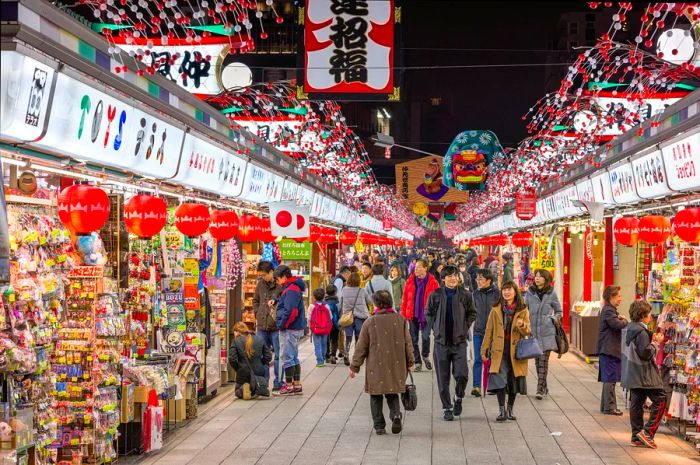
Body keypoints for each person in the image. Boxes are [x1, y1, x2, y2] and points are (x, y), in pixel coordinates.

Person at [349, 290, 414, 436]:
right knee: (392, 392)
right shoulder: (400, 319)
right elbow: (407, 343)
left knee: (376, 395)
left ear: (376, 304)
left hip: (376, 364)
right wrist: (410, 361)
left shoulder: (370, 322)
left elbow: (361, 347)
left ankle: (379, 426)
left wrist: (354, 367)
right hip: (396, 363)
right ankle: (396, 415)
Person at [426, 266, 477, 421]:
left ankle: (458, 397)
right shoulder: (435, 295)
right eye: (449, 276)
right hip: (441, 342)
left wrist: (464, 326)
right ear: (443, 278)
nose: (453, 278)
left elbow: (472, 313)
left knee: (462, 374)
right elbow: (428, 313)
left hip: (459, 342)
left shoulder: (466, 295)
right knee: (443, 377)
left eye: (455, 275)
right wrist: (435, 327)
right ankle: (447, 407)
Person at [481, 281, 531, 422]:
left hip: (516, 350)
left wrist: (522, 325)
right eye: (504, 290)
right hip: (499, 349)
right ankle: (502, 411)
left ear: (515, 291)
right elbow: (489, 330)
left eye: (509, 290)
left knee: (513, 380)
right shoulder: (496, 309)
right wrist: (484, 349)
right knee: (500, 379)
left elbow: (528, 331)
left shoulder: (522, 309)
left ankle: (510, 410)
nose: (506, 292)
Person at [621, 300, 666, 449]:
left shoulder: (629, 328)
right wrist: (655, 344)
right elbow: (645, 353)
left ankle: (636, 436)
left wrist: (650, 339)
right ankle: (648, 432)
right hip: (643, 374)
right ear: (643, 316)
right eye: (649, 314)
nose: (651, 317)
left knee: (637, 403)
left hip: (631, 372)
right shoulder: (640, 331)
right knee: (661, 398)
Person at [524, 269, 563, 399]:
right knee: (537, 362)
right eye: (536, 276)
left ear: (546, 279)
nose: (537, 278)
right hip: (533, 332)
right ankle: (544, 386)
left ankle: (539, 389)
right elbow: (524, 309)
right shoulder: (530, 292)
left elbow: (559, 311)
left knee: (543, 361)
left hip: (547, 332)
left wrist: (552, 319)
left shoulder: (551, 293)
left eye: (540, 277)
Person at [401, 259, 440, 372]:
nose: (416, 269)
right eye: (415, 267)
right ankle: (417, 361)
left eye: (418, 267)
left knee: (425, 337)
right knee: (413, 339)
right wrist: (403, 314)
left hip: (427, 315)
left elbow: (437, 300)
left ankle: (425, 355)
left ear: (425, 268)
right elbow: (405, 299)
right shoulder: (410, 281)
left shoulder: (433, 282)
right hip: (412, 314)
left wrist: (436, 314)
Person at [274, 265, 307, 396]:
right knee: (293, 356)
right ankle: (296, 384)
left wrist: (282, 324)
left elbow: (291, 311)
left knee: (287, 356)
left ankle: (288, 386)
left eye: (277, 279)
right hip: (294, 327)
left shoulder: (291, 289)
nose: (277, 282)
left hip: (290, 328)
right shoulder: (292, 288)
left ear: (284, 277)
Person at [596, 285, 628, 415]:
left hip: (608, 349)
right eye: (618, 296)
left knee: (609, 378)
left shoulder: (610, 310)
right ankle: (609, 407)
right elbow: (617, 325)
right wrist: (624, 320)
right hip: (609, 349)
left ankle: (606, 406)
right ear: (611, 297)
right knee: (610, 378)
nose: (621, 299)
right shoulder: (609, 310)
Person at [252, 261, 282, 391]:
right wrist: (257, 313)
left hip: (275, 326)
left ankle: (278, 381)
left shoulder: (280, 285)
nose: (262, 277)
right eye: (261, 275)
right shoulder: (260, 285)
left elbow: (284, 301)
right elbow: (255, 300)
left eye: (264, 275)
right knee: (262, 355)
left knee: (277, 356)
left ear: (271, 272)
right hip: (262, 326)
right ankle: (263, 383)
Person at [471, 269, 500, 396]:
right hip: (478, 330)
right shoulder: (475, 294)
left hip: (494, 332)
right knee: (478, 359)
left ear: (489, 280)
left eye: (480, 279)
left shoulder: (497, 294)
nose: (478, 281)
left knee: (493, 359)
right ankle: (476, 386)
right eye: (477, 279)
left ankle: (491, 385)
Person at [229, 322, 272, 400]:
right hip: (258, 372)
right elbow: (268, 356)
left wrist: (237, 368)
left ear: (237, 331)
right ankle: (253, 389)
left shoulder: (236, 341)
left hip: (242, 373)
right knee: (256, 388)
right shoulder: (259, 338)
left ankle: (244, 388)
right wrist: (260, 363)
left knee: (237, 392)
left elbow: (232, 359)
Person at [340, 272, 373, 366]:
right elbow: (370, 301)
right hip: (360, 317)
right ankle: (356, 357)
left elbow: (341, 302)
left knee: (348, 337)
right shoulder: (362, 290)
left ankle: (346, 354)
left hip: (348, 317)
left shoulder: (344, 290)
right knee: (358, 338)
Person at [308, 288, 333, 367]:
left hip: (316, 329)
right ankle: (323, 356)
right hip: (325, 329)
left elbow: (308, 318)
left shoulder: (312, 306)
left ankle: (320, 361)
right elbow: (330, 317)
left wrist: (310, 327)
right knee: (324, 344)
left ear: (314, 297)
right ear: (323, 297)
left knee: (317, 344)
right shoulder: (326, 306)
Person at [324, 284, 341, 364]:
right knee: (335, 340)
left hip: (326, 325)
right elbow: (339, 313)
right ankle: (333, 355)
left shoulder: (324, 302)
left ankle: (326, 355)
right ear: (335, 292)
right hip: (335, 324)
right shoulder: (338, 302)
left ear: (326, 292)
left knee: (327, 340)